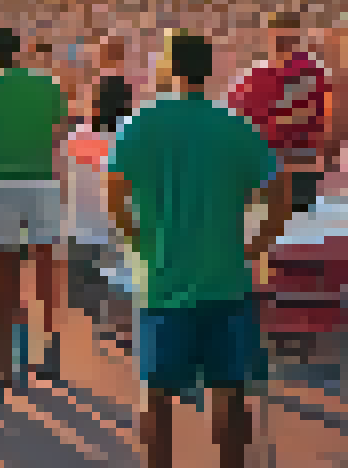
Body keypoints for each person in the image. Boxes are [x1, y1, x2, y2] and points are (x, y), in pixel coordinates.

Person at [108, 31, 293, 468]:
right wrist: (257, 245)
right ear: (208, 71)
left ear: (169, 69)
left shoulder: (139, 124)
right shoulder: (234, 125)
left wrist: (138, 240)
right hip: (226, 280)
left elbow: (114, 194)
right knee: (230, 396)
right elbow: (280, 191)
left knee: (156, 398)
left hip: (162, 279)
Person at [0, 27, 71, 398]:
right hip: (43, 182)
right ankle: (50, 352)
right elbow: (59, 137)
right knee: (45, 270)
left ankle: (5, 367)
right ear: (20, 53)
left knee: (5, 275)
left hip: (1, 185)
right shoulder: (50, 87)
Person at [227, 11, 332, 216]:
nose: (280, 43)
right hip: (264, 165)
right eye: (277, 38)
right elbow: (239, 117)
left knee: (294, 224)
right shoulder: (256, 75)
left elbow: (303, 117)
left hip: (295, 166)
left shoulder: (308, 73)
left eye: (286, 38)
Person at [63, 72, 136, 343]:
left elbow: (63, 185)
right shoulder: (131, 140)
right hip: (117, 231)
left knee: (84, 311)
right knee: (117, 311)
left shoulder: (76, 138)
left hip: (80, 230)